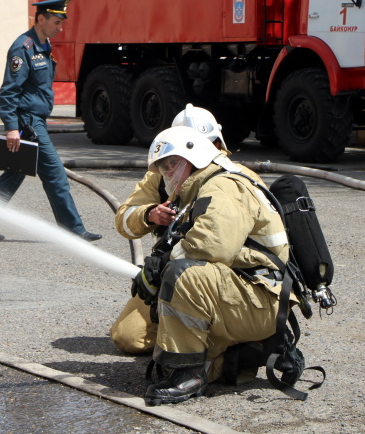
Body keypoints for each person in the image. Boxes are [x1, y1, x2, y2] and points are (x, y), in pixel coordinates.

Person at [132, 126, 293, 406]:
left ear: (197, 159)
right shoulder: (203, 187)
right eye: (164, 167)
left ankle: (188, 375)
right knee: (177, 343)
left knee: (185, 275)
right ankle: (251, 352)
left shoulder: (224, 186)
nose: (168, 173)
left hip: (260, 300)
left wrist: (161, 263)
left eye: (174, 164)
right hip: (247, 294)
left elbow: (212, 245)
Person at [111, 104, 262, 354]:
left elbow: (217, 248)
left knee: (210, 341)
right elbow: (124, 219)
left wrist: (163, 267)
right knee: (129, 337)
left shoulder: (234, 179)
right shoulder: (162, 174)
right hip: (172, 271)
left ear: (216, 145)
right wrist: (149, 214)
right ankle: (180, 327)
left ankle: (215, 335)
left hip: (225, 276)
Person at [0, 0, 101, 242]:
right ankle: (73, 229)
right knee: (55, 174)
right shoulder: (23, 47)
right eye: (56, 22)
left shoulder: (44, 45)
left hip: (35, 119)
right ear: (41, 19)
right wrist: (12, 128)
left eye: (61, 23)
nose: (60, 27)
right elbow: (9, 90)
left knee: (15, 172)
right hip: (28, 123)